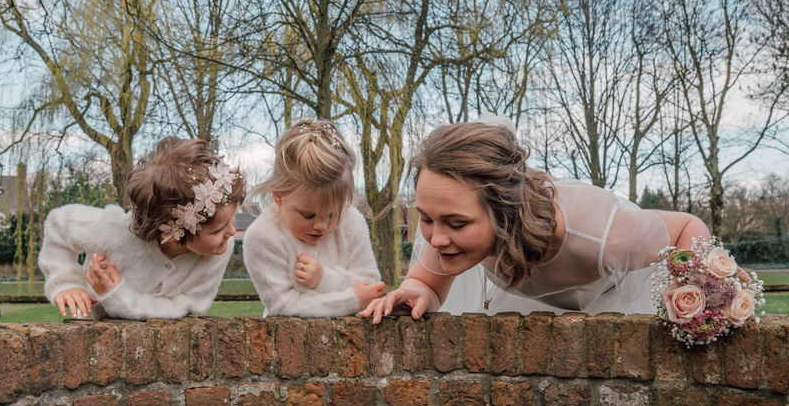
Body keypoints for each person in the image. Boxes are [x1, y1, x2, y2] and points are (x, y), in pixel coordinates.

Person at [360, 118, 711, 323]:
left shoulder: (603, 236)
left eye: (456, 224)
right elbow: (430, 286)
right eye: (426, 218)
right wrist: (413, 293)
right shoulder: (445, 230)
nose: (435, 239)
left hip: (619, 299)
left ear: (505, 210)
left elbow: (686, 227)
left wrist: (693, 295)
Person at [39, 137, 244, 320]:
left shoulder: (218, 252)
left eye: (232, 219)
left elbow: (184, 304)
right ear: (173, 237)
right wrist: (66, 284)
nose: (232, 232)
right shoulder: (112, 231)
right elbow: (59, 224)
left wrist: (118, 297)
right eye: (218, 230)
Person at [243, 119, 384, 317]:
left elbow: (371, 285)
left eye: (332, 214)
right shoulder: (262, 237)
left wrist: (324, 279)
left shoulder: (352, 220)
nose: (321, 226)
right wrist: (353, 300)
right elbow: (283, 306)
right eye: (308, 215)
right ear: (279, 196)